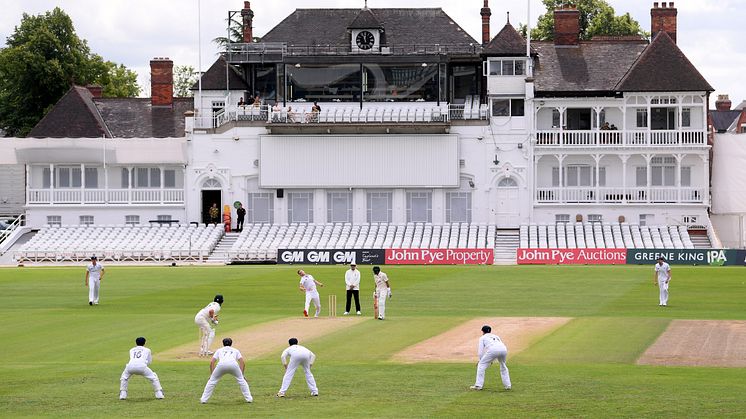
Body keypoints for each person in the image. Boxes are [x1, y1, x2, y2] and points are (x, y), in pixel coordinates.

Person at [200, 338, 253, 404]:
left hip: (221, 365)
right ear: (231, 343)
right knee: (242, 381)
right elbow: (242, 362)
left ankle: (203, 400)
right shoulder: (236, 350)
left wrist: (212, 375)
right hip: (233, 365)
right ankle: (249, 399)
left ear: (223, 343)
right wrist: (242, 375)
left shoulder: (219, 350)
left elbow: (212, 362)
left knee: (212, 381)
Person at [470, 325, 511, 391]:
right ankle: (508, 385)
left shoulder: (482, 338)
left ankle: (478, 385)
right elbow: (498, 347)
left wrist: (480, 360)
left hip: (493, 350)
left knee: (481, 365)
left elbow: (480, 351)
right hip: (504, 349)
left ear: (483, 331)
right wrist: (491, 359)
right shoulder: (496, 336)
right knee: (503, 366)